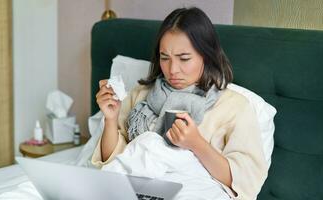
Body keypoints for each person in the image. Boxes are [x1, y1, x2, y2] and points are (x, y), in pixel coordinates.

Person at [92, 7, 268, 200]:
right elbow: (115, 164)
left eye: (184, 59)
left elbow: (244, 183)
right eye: (164, 58)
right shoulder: (141, 95)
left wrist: (196, 144)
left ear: (206, 55)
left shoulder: (235, 106)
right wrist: (111, 118)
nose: (172, 69)